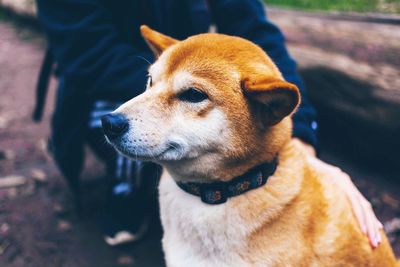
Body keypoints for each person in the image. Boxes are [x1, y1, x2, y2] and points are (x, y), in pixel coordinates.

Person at [33, 0, 382, 247]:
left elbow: (257, 33)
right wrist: (175, 80)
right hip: (104, 84)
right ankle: (125, 190)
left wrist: (302, 139)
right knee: (126, 124)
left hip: (184, 69)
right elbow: (89, 56)